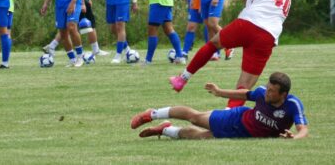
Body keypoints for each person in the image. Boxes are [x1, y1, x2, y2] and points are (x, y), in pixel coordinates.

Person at [170, 0, 292, 109]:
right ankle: (229, 115)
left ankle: (183, 79)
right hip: (268, 36)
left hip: (248, 24)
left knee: (213, 44)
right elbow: (254, 4)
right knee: (245, 84)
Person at [132, 72, 308, 140]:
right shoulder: (262, 92)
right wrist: (219, 91)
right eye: (268, 88)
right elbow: (245, 94)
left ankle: (164, 130)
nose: (267, 93)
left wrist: (295, 138)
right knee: (195, 117)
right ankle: (152, 114)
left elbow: (303, 129)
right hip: (236, 118)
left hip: (244, 135)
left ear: (283, 95)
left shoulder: (293, 105)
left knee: (200, 137)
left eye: (272, 91)